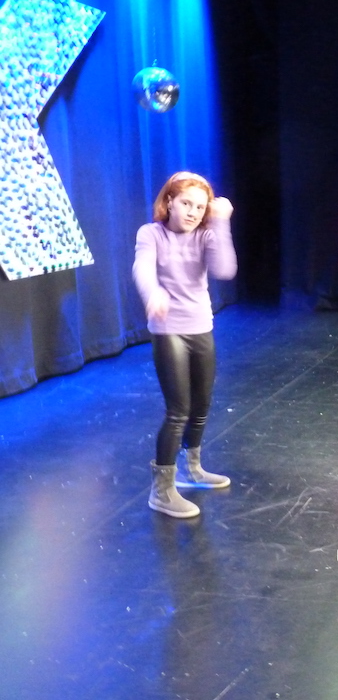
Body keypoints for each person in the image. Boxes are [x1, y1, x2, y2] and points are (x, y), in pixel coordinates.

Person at [133, 171, 238, 519]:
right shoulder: (151, 233)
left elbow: (224, 269)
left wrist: (221, 223)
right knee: (178, 410)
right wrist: (153, 293)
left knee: (201, 406)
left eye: (200, 207)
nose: (193, 212)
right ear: (169, 202)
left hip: (201, 326)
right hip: (168, 329)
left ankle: (192, 468)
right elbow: (142, 268)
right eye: (186, 203)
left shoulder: (206, 234)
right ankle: (162, 491)